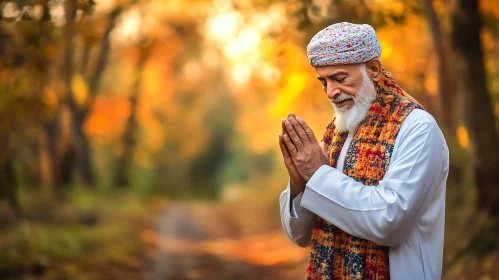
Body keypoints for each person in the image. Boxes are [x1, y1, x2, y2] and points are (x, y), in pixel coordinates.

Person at [278, 22, 449, 280]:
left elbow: (389, 221)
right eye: (323, 82)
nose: (330, 92)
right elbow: (300, 235)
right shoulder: (337, 132)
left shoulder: (418, 128)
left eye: (339, 78)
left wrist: (317, 174)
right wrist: (300, 181)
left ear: (374, 70)